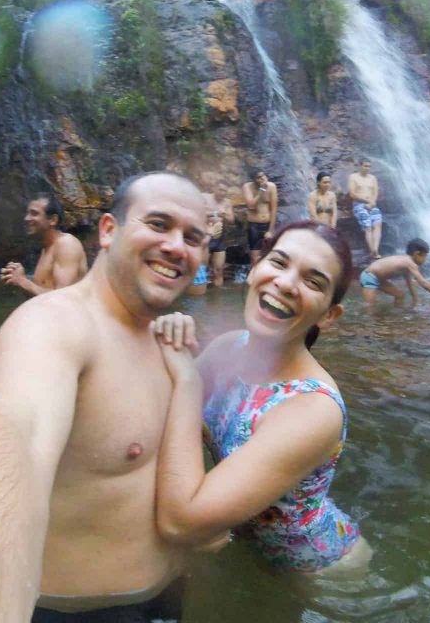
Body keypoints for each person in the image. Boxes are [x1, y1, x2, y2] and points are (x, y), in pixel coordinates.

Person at [0, 172, 217, 623]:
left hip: (167, 595)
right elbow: (7, 429)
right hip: (83, 612)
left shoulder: (165, 340)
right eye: (158, 224)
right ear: (109, 231)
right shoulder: (53, 325)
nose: (177, 247)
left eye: (193, 237)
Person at [149, 221, 371, 575]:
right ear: (255, 269)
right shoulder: (228, 346)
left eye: (313, 282)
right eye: (279, 263)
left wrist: (187, 378)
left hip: (318, 572)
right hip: (243, 538)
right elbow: (162, 421)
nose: (284, 283)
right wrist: (161, 333)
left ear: (330, 315)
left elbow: (180, 524)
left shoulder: (313, 409)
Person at [0, 194, 88, 295]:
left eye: (34, 213)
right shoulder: (47, 248)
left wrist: (23, 282)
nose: (26, 218)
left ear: (53, 220)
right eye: (27, 213)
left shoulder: (66, 244)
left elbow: (63, 298)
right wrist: (17, 279)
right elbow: (41, 300)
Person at [359, 238, 430, 313]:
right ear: (417, 254)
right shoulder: (409, 263)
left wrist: (415, 299)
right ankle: (367, 329)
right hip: (369, 276)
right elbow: (423, 283)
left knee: (400, 295)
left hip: (379, 279)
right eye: (425, 256)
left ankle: (397, 314)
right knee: (370, 307)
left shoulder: (406, 263)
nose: (425, 260)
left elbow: (409, 282)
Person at [242, 168, 278, 265]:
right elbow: (251, 205)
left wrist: (270, 230)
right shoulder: (247, 187)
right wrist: (261, 190)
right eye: (259, 178)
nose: (263, 179)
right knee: (255, 258)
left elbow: (273, 209)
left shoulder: (272, 187)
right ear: (253, 179)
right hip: (253, 226)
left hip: (267, 225)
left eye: (263, 176)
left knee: (269, 256)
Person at [204, 181, 234, 289]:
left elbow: (231, 220)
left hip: (219, 238)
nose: (223, 193)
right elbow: (197, 212)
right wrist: (216, 213)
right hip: (205, 237)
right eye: (220, 190)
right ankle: (199, 298)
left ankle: (218, 300)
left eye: (225, 191)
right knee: (202, 270)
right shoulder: (204, 198)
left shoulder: (227, 202)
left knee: (219, 270)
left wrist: (225, 214)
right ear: (214, 188)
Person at [349, 159, 382, 259]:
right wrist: (366, 202)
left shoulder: (373, 178)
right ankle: (372, 251)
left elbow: (375, 192)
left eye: (369, 166)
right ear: (360, 166)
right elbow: (352, 194)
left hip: (372, 204)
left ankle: (376, 249)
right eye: (365, 166)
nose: (367, 168)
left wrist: (372, 202)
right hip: (359, 205)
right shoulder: (353, 177)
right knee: (368, 226)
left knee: (377, 223)